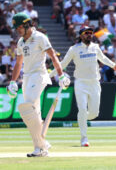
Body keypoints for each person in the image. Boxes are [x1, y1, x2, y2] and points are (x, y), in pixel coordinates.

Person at [6, 13, 70, 157]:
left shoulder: (40, 37)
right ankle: (40, 147)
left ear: (27, 25)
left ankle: (41, 143)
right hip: (27, 78)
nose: (17, 30)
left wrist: (61, 75)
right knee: (34, 114)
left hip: (39, 75)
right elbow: (18, 63)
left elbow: (53, 56)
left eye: (19, 27)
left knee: (27, 107)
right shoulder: (21, 42)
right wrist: (12, 81)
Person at [49, 26, 116, 147]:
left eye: (91, 33)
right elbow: (62, 64)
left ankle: (81, 119)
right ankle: (84, 138)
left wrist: (114, 65)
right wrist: (49, 75)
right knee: (82, 109)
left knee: (94, 114)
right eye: (87, 33)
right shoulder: (74, 49)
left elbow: (103, 58)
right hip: (81, 83)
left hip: (94, 83)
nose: (89, 34)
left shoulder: (95, 47)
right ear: (81, 35)